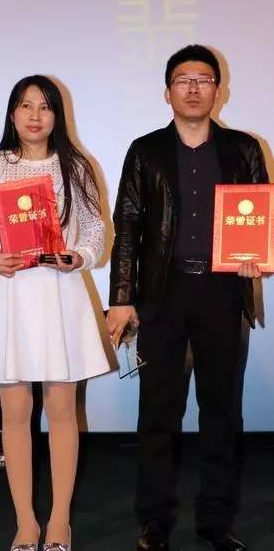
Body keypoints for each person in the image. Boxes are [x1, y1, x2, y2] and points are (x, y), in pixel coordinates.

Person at [107, 45, 269, 551]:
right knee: (158, 411)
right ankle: (154, 522)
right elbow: (127, 227)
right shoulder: (145, 150)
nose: (194, 88)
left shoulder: (243, 149)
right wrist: (122, 297)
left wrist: (257, 256)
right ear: (167, 92)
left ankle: (216, 521)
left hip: (222, 292)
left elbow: (260, 215)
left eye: (203, 79)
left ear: (219, 89)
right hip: (163, 293)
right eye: (183, 79)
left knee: (221, 410)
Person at [0, 75, 110, 551]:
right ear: (12, 114)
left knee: (63, 410)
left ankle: (60, 521)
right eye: (26, 106)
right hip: (10, 295)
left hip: (59, 293)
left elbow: (96, 231)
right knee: (16, 412)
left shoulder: (75, 166)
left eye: (45, 106)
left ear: (57, 115)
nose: (35, 115)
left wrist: (80, 257)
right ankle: (25, 522)